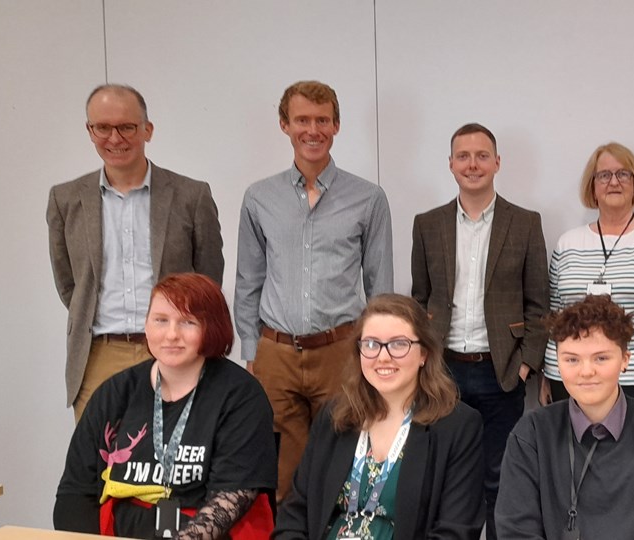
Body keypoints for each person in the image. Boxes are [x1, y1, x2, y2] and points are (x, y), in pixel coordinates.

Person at [236, 80, 394, 502]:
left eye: (322, 120)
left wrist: (378, 352)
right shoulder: (258, 198)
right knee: (280, 473)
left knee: (342, 463)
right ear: (285, 125)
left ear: (336, 126)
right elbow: (248, 281)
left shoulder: (368, 198)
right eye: (302, 120)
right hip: (276, 354)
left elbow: (381, 288)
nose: (313, 130)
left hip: (340, 351)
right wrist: (250, 352)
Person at [48, 84, 223, 422]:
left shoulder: (191, 195)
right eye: (103, 127)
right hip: (99, 355)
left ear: (147, 129)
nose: (115, 138)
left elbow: (208, 279)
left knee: (177, 459)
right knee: (102, 465)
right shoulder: (66, 199)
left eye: (127, 127)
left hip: (175, 350)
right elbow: (69, 283)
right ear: (90, 131)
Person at [55, 273, 276, 539]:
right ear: (146, 326)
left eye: (188, 322)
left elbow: (230, 501)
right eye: (161, 320)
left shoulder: (241, 397)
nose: (172, 334)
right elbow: (75, 495)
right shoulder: (114, 394)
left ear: (212, 328)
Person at [411, 122, 549, 539]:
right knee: (446, 477)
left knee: (499, 478)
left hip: (501, 371)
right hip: (442, 372)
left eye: (482, 155)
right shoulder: (427, 224)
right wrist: (421, 362)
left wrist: (525, 365)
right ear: (451, 164)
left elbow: (539, 306)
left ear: (497, 163)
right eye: (464, 156)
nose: (473, 164)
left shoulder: (524, 223)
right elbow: (419, 300)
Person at [496, 295, 634, 539]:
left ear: (625, 360)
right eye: (571, 359)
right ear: (557, 362)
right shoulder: (532, 434)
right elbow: (516, 531)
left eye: (601, 358)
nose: (586, 371)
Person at [274, 294, 485, 539]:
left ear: (424, 354)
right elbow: (295, 513)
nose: (383, 357)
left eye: (398, 344)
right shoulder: (335, 416)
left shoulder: (457, 427)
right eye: (372, 344)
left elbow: (455, 532)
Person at [541, 142, 634, 410]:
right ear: (592, 186)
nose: (614, 182)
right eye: (604, 175)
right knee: (574, 452)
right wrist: (547, 373)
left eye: (623, 174)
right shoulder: (567, 244)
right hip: (572, 379)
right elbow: (556, 317)